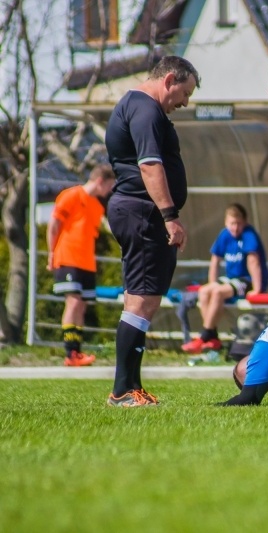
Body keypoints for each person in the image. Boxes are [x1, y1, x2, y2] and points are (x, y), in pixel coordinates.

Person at [104, 55, 200, 407]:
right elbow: (149, 164)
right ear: (170, 79)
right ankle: (122, 391)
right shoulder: (145, 108)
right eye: (184, 93)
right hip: (144, 213)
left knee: (137, 298)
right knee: (144, 299)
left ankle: (132, 386)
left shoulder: (136, 104)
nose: (185, 102)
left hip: (137, 211)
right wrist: (170, 216)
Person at [47, 164, 116, 366]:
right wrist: (52, 253)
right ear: (100, 181)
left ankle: (77, 352)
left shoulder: (96, 205)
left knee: (82, 305)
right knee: (73, 302)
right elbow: (54, 224)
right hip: (68, 257)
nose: (110, 190)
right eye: (110, 185)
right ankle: (70, 353)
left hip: (87, 262)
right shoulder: (71, 195)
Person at [181, 203, 268, 354]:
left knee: (218, 292)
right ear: (226, 223)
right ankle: (212, 335)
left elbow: (253, 262)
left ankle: (205, 335)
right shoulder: (225, 234)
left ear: (245, 222)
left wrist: (257, 289)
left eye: (238, 224)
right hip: (230, 280)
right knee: (204, 291)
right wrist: (212, 282)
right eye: (231, 224)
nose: (235, 228)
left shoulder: (249, 235)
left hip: (246, 281)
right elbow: (215, 260)